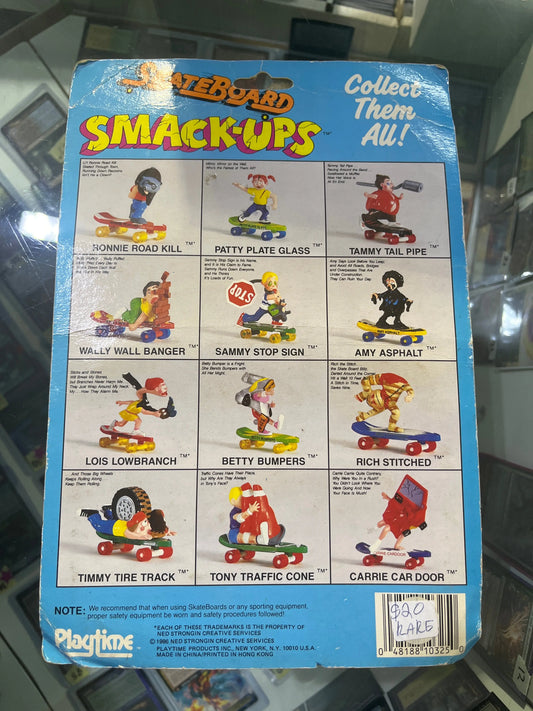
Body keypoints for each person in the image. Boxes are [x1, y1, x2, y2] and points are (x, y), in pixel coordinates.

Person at [80, 510, 152, 540]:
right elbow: (130, 535)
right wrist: (142, 537)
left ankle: (107, 511)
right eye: (144, 522)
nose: (146, 524)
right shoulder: (128, 531)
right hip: (113, 527)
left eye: (146, 521)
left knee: (112, 518)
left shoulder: (141, 528)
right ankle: (93, 514)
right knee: (99, 525)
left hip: (118, 523)